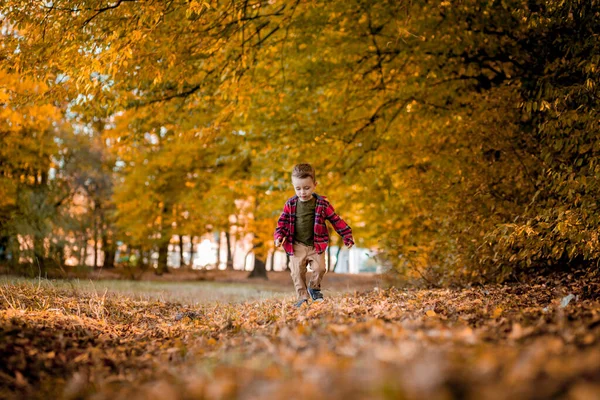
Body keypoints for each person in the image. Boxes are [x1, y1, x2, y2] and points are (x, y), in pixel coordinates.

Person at [274, 163, 354, 307]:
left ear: (314, 185)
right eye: (298, 188)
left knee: (320, 268)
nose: (302, 192)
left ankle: (314, 288)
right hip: (296, 244)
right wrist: (279, 236)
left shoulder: (322, 204)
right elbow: (283, 223)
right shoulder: (291, 204)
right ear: (293, 186)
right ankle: (302, 297)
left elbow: (335, 220)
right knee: (297, 272)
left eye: (307, 188)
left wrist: (346, 235)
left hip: (316, 244)